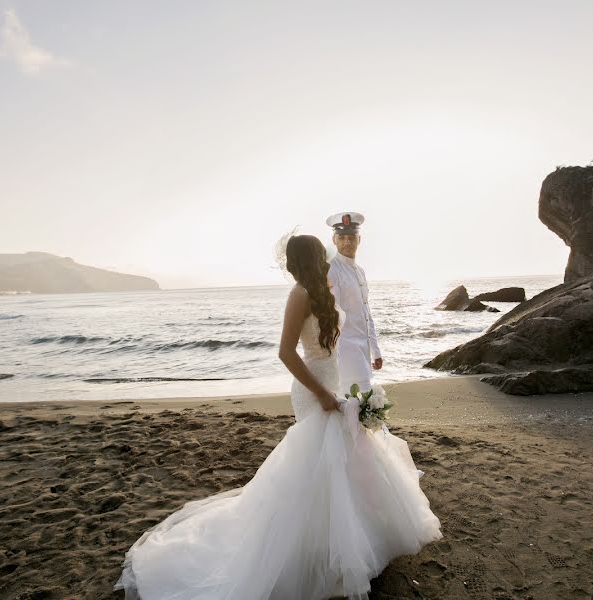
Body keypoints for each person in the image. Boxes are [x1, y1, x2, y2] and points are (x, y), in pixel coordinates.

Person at [114, 234, 441, 600]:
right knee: (316, 462)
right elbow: (286, 352)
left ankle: (343, 541)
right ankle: (311, 549)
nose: (327, 257)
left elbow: (340, 340)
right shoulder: (300, 294)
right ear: (311, 258)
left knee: (341, 461)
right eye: (322, 253)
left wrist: (350, 380)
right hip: (313, 390)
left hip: (334, 383)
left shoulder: (324, 290)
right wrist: (321, 394)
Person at [326, 212, 382, 394]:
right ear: (334, 240)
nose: (347, 242)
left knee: (360, 406)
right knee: (362, 402)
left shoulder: (360, 271)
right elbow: (332, 315)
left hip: (362, 350)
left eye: (351, 237)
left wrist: (376, 350)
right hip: (346, 352)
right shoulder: (332, 270)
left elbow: (367, 314)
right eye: (342, 237)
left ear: (360, 239)